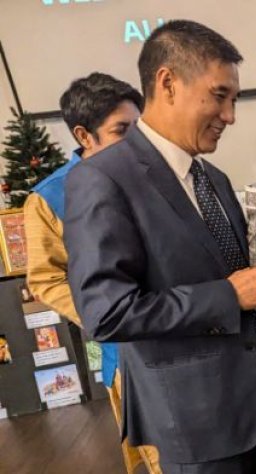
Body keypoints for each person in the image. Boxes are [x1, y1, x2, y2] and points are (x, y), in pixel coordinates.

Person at [64, 20, 256, 473]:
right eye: (219, 96)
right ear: (168, 83)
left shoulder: (212, 177)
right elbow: (107, 313)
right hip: (197, 417)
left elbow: (216, 265)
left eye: (234, 100)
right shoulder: (102, 179)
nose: (230, 115)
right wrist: (228, 295)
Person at [23, 73, 160, 474]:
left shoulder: (152, 173)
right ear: (84, 135)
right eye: (121, 131)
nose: (135, 141)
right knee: (163, 455)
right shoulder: (49, 198)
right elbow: (45, 278)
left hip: (184, 329)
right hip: (130, 349)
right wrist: (109, 312)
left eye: (139, 128)